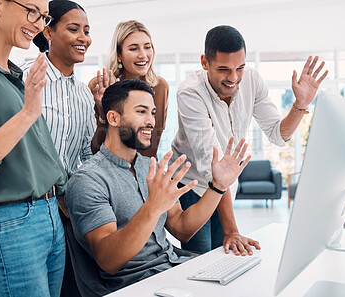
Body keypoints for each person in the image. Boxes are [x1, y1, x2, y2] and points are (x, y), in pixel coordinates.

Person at [65, 79, 252, 293]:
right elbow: (108, 260)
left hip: (173, 270)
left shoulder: (149, 167)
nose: (151, 121)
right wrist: (152, 208)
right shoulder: (88, 180)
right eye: (141, 112)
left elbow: (182, 228)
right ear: (113, 118)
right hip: (135, 285)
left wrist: (218, 186)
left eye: (153, 113)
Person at [170, 25, 328, 254]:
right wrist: (232, 230)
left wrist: (300, 105)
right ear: (205, 63)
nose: (234, 78)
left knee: (222, 255)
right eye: (224, 69)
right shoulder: (190, 93)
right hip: (191, 184)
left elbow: (278, 134)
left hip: (222, 183)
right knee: (200, 258)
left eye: (240, 67)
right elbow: (211, 168)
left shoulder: (251, 80)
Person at [0, 0, 68, 296]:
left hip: (48, 215)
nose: (40, 24)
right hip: (11, 224)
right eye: (32, 12)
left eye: (44, 16)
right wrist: (27, 113)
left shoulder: (14, 72)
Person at [19, 1, 96, 296]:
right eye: (73, 29)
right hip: (30, 207)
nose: (83, 38)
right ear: (48, 31)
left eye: (86, 31)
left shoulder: (83, 93)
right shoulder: (25, 76)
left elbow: (87, 155)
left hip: (68, 211)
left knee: (70, 289)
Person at [89, 20, 168, 159]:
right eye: (133, 48)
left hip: (144, 170)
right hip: (107, 168)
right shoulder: (100, 85)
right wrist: (103, 112)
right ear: (119, 54)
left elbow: (153, 140)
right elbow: (92, 148)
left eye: (147, 47)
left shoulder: (160, 86)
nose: (143, 55)